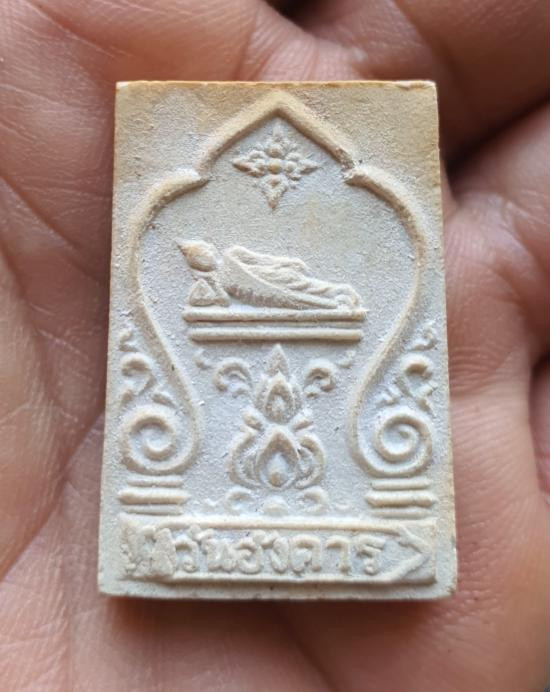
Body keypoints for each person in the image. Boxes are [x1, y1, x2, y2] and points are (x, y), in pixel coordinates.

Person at [1, 1, 549, 689]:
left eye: (200, 255)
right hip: (263, 320)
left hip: (288, 293)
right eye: (198, 258)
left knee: (311, 292)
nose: (198, 259)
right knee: (303, 298)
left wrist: (268, 280)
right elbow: (241, 290)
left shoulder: (234, 264)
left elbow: (276, 275)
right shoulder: (217, 279)